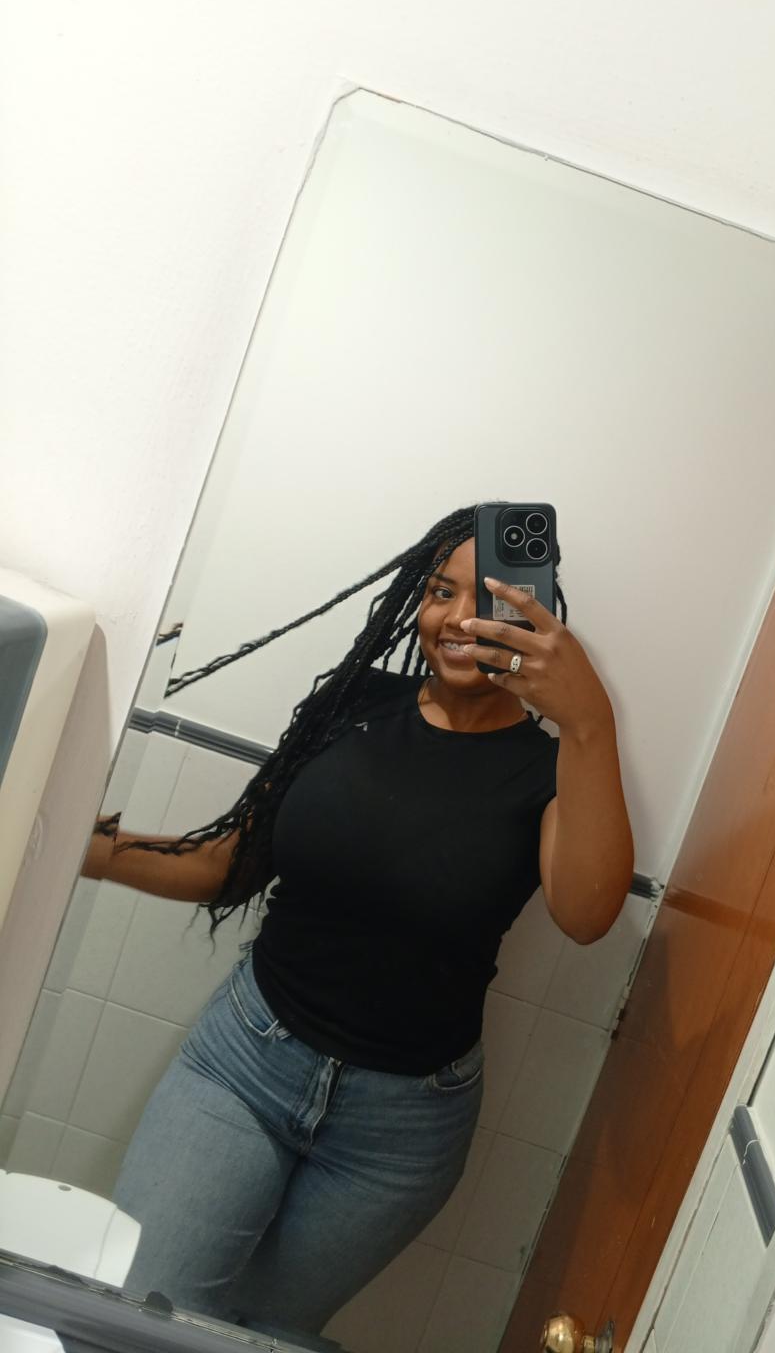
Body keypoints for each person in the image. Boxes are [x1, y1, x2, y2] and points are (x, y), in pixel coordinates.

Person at [83, 505, 633, 1338]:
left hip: (400, 1132)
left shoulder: (552, 771)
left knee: (258, 1334)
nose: (458, 618)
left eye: (488, 598)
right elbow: (231, 862)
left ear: (535, 614)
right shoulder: (353, 703)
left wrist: (592, 721)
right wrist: (87, 850)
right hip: (245, 1065)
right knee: (141, 1308)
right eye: (440, 592)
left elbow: (587, 915)